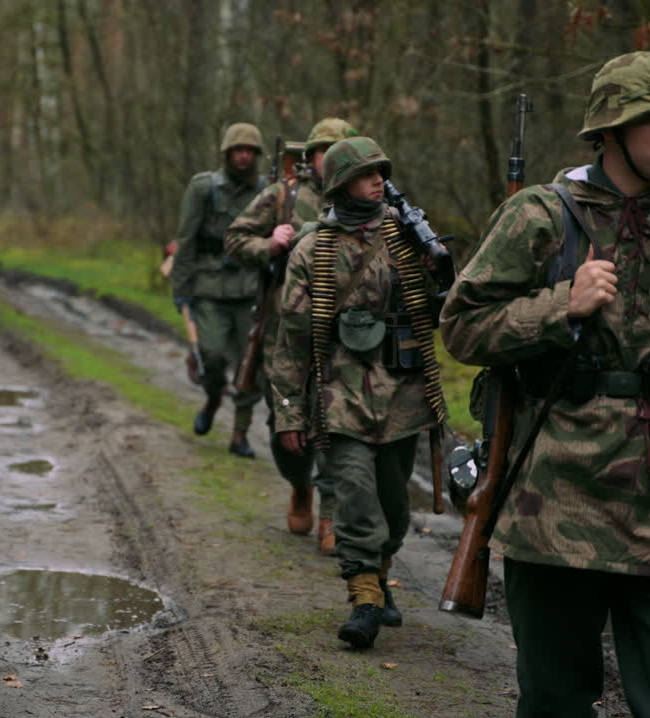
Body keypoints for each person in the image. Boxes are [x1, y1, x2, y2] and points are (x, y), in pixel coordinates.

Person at [439, 52, 650, 718]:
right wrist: (558, 305)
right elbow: (461, 327)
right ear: (611, 128)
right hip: (556, 501)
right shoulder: (538, 217)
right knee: (555, 697)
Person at [270, 137, 448, 649]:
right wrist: (288, 414)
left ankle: (381, 568)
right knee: (352, 492)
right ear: (343, 183)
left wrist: (442, 271)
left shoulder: (408, 238)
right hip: (340, 393)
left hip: (404, 392)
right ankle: (365, 597)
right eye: (368, 172)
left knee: (394, 506)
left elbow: (440, 310)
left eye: (381, 173)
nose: (379, 180)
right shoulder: (313, 249)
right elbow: (292, 342)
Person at [225, 118, 358, 553]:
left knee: (336, 421)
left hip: (345, 336)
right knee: (285, 420)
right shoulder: (285, 195)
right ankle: (299, 482)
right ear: (311, 157)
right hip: (284, 334)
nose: (329, 160)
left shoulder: (367, 201)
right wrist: (270, 244)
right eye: (322, 152)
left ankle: (331, 510)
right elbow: (235, 239)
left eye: (338, 151)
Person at [170, 122, 267, 457]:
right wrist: (180, 290)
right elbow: (186, 242)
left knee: (250, 365)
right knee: (210, 356)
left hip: (251, 291)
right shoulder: (204, 188)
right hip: (209, 288)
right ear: (227, 154)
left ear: (255, 155)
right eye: (237, 151)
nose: (243, 157)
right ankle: (212, 399)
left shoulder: (268, 191)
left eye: (249, 151)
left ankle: (239, 434)